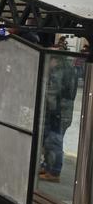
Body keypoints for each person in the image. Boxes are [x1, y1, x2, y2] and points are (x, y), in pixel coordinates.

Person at [40, 53, 78, 182]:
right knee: (49, 139)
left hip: (57, 112)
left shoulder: (58, 72)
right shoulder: (69, 69)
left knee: (54, 141)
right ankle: (47, 166)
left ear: (54, 60)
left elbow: (52, 92)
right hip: (63, 112)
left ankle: (54, 172)